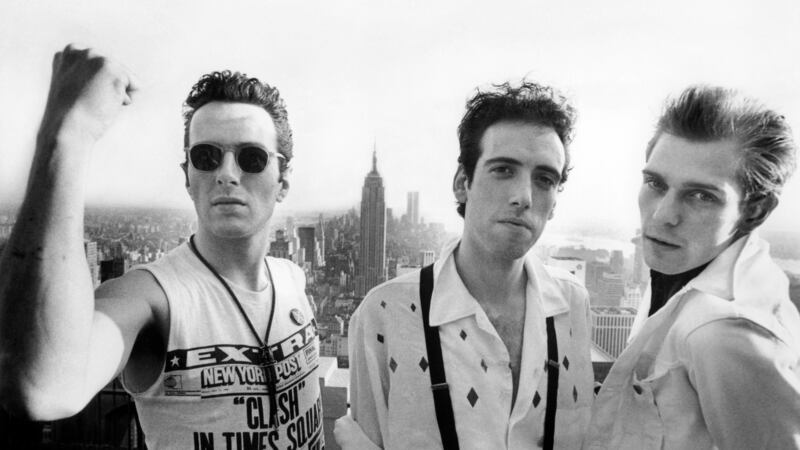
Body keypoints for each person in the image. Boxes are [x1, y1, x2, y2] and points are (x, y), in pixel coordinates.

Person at [0, 45, 324, 449]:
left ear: (283, 182)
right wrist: (68, 134)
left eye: (252, 158)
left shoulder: (293, 280)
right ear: (188, 177)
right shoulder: (154, 298)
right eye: (206, 156)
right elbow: (42, 387)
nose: (226, 174)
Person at [335, 81, 594, 449]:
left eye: (544, 179)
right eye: (503, 170)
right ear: (462, 183)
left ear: (554, 202)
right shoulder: (384, 314)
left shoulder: (573, 305)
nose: (523, 196)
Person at [584, 86, 800, 449]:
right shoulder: (681, 266)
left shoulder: (722, 333)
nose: (662, 216)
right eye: (655, 183)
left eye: (702, 196)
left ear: (755, 210)